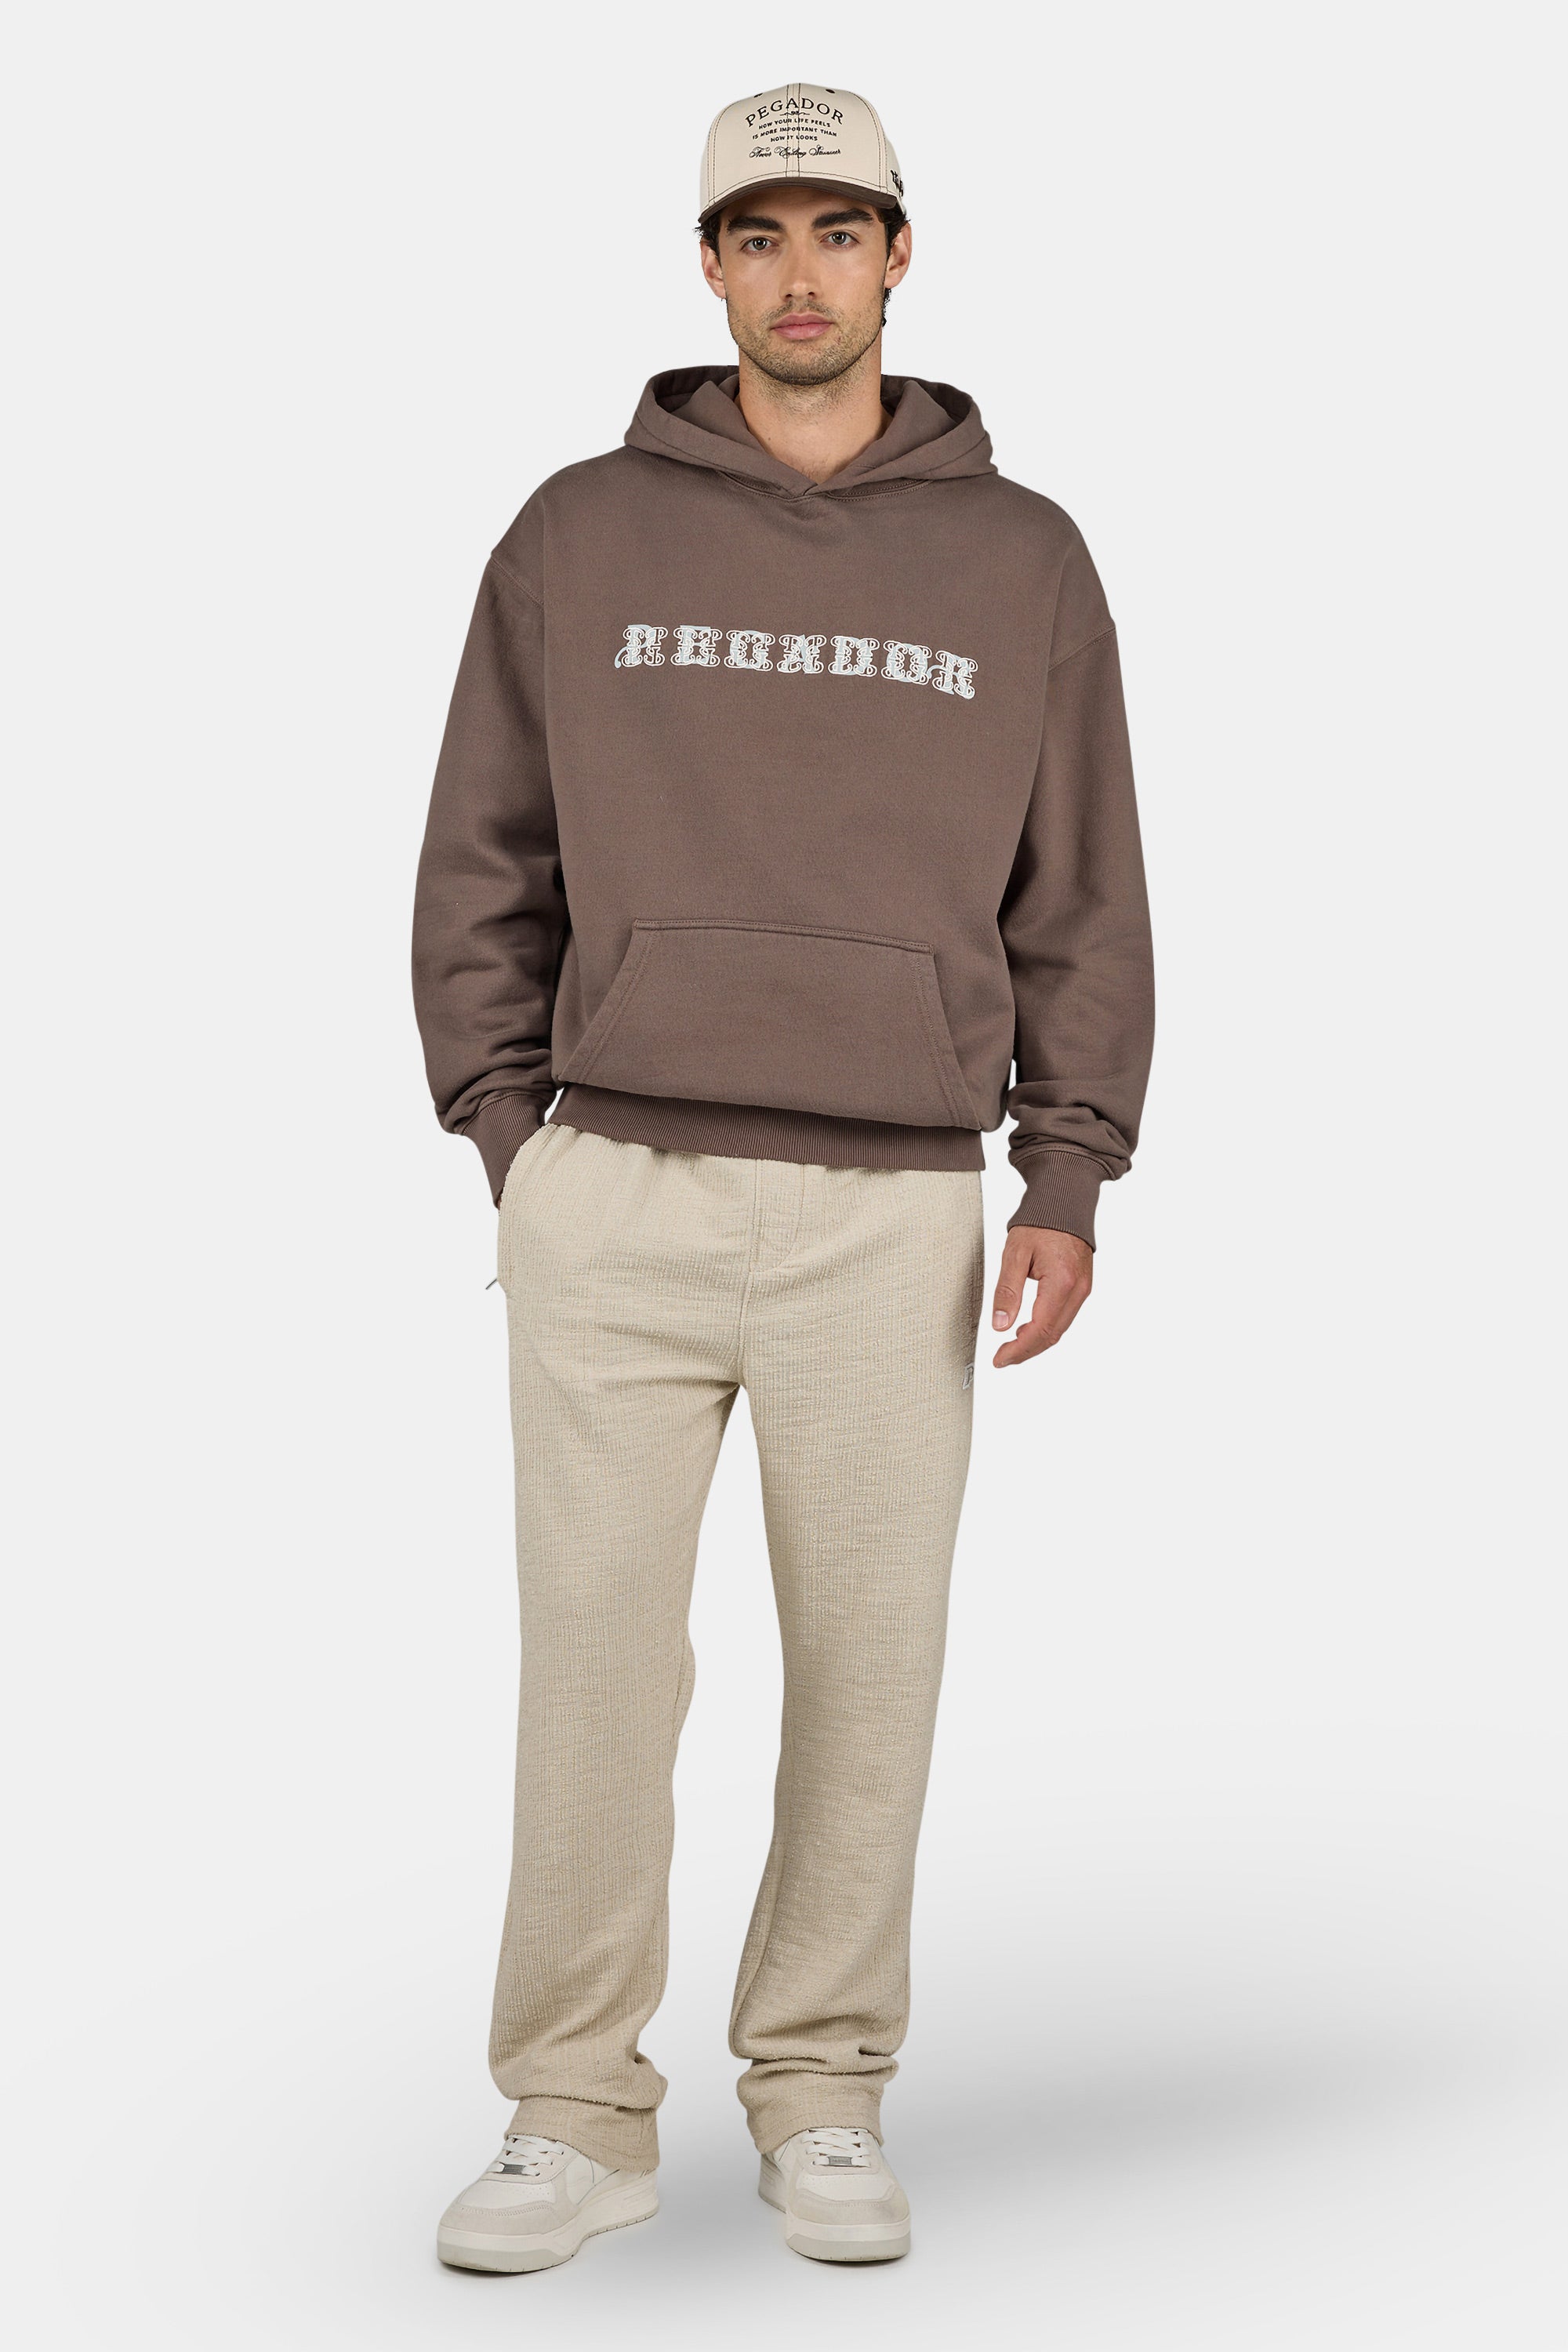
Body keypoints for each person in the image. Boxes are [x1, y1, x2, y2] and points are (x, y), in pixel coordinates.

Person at [412, 79, 1154, 2272]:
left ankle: (822, 2089)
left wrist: (1067, 1172)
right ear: (710, 265)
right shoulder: (577, 535)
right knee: (593, 1677)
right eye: (761, 235)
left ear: (902, 255)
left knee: (867, 1672)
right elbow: (483, 854)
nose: (801, 274)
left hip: (888, 1211)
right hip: (617, 1190)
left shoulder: (1022, 560)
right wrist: (514, 1143)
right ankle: (574, 2111)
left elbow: (1083, 895)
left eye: (841, 231)